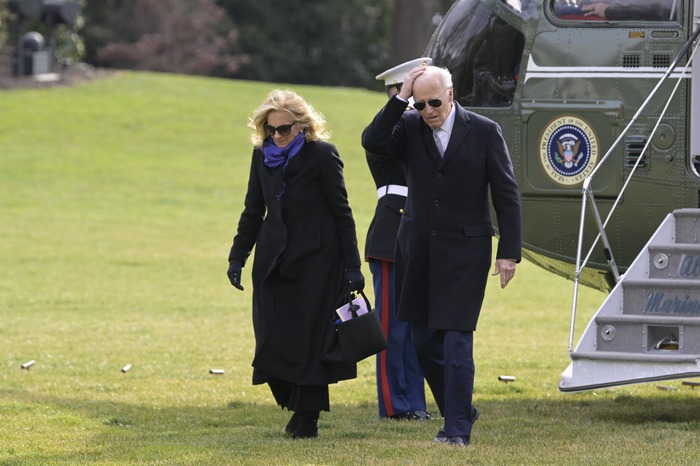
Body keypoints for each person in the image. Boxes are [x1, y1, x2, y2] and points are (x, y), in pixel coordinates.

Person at [361, 65, 522, 447]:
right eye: (419, 105)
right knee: (423, 340)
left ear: (451, 94)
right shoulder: (409, 127)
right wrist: (401, 98)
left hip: (466, 251)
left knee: (456, 338)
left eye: (434, 102)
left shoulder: (484, 131)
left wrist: (508, 253)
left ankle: (456, 430)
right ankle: (459, 407)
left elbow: (506, 193)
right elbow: (373, 141)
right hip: (417, 248)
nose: (428, 111)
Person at [227, 89, 365, 439]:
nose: (277, 135)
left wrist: (353, 266)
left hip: (318, 262)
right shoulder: (261, 155)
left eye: (284, 129)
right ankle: (295, 402)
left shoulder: (323, 155)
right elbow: (253, 209)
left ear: (302, 126)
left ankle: (307, 416)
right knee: (269, 337)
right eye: (270, 129)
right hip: (272, 261)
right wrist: (237, 256)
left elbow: (342, 212)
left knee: (309, 341)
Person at [366, 58, 431, 421]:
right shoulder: (387, 132)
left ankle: (416, 403)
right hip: (392, 236)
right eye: (411, 92)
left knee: (418, 326)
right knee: (393, 327)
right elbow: (374, 139)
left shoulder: (429, 129)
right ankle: (395, 405)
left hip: (424, 236)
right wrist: (401, 100)